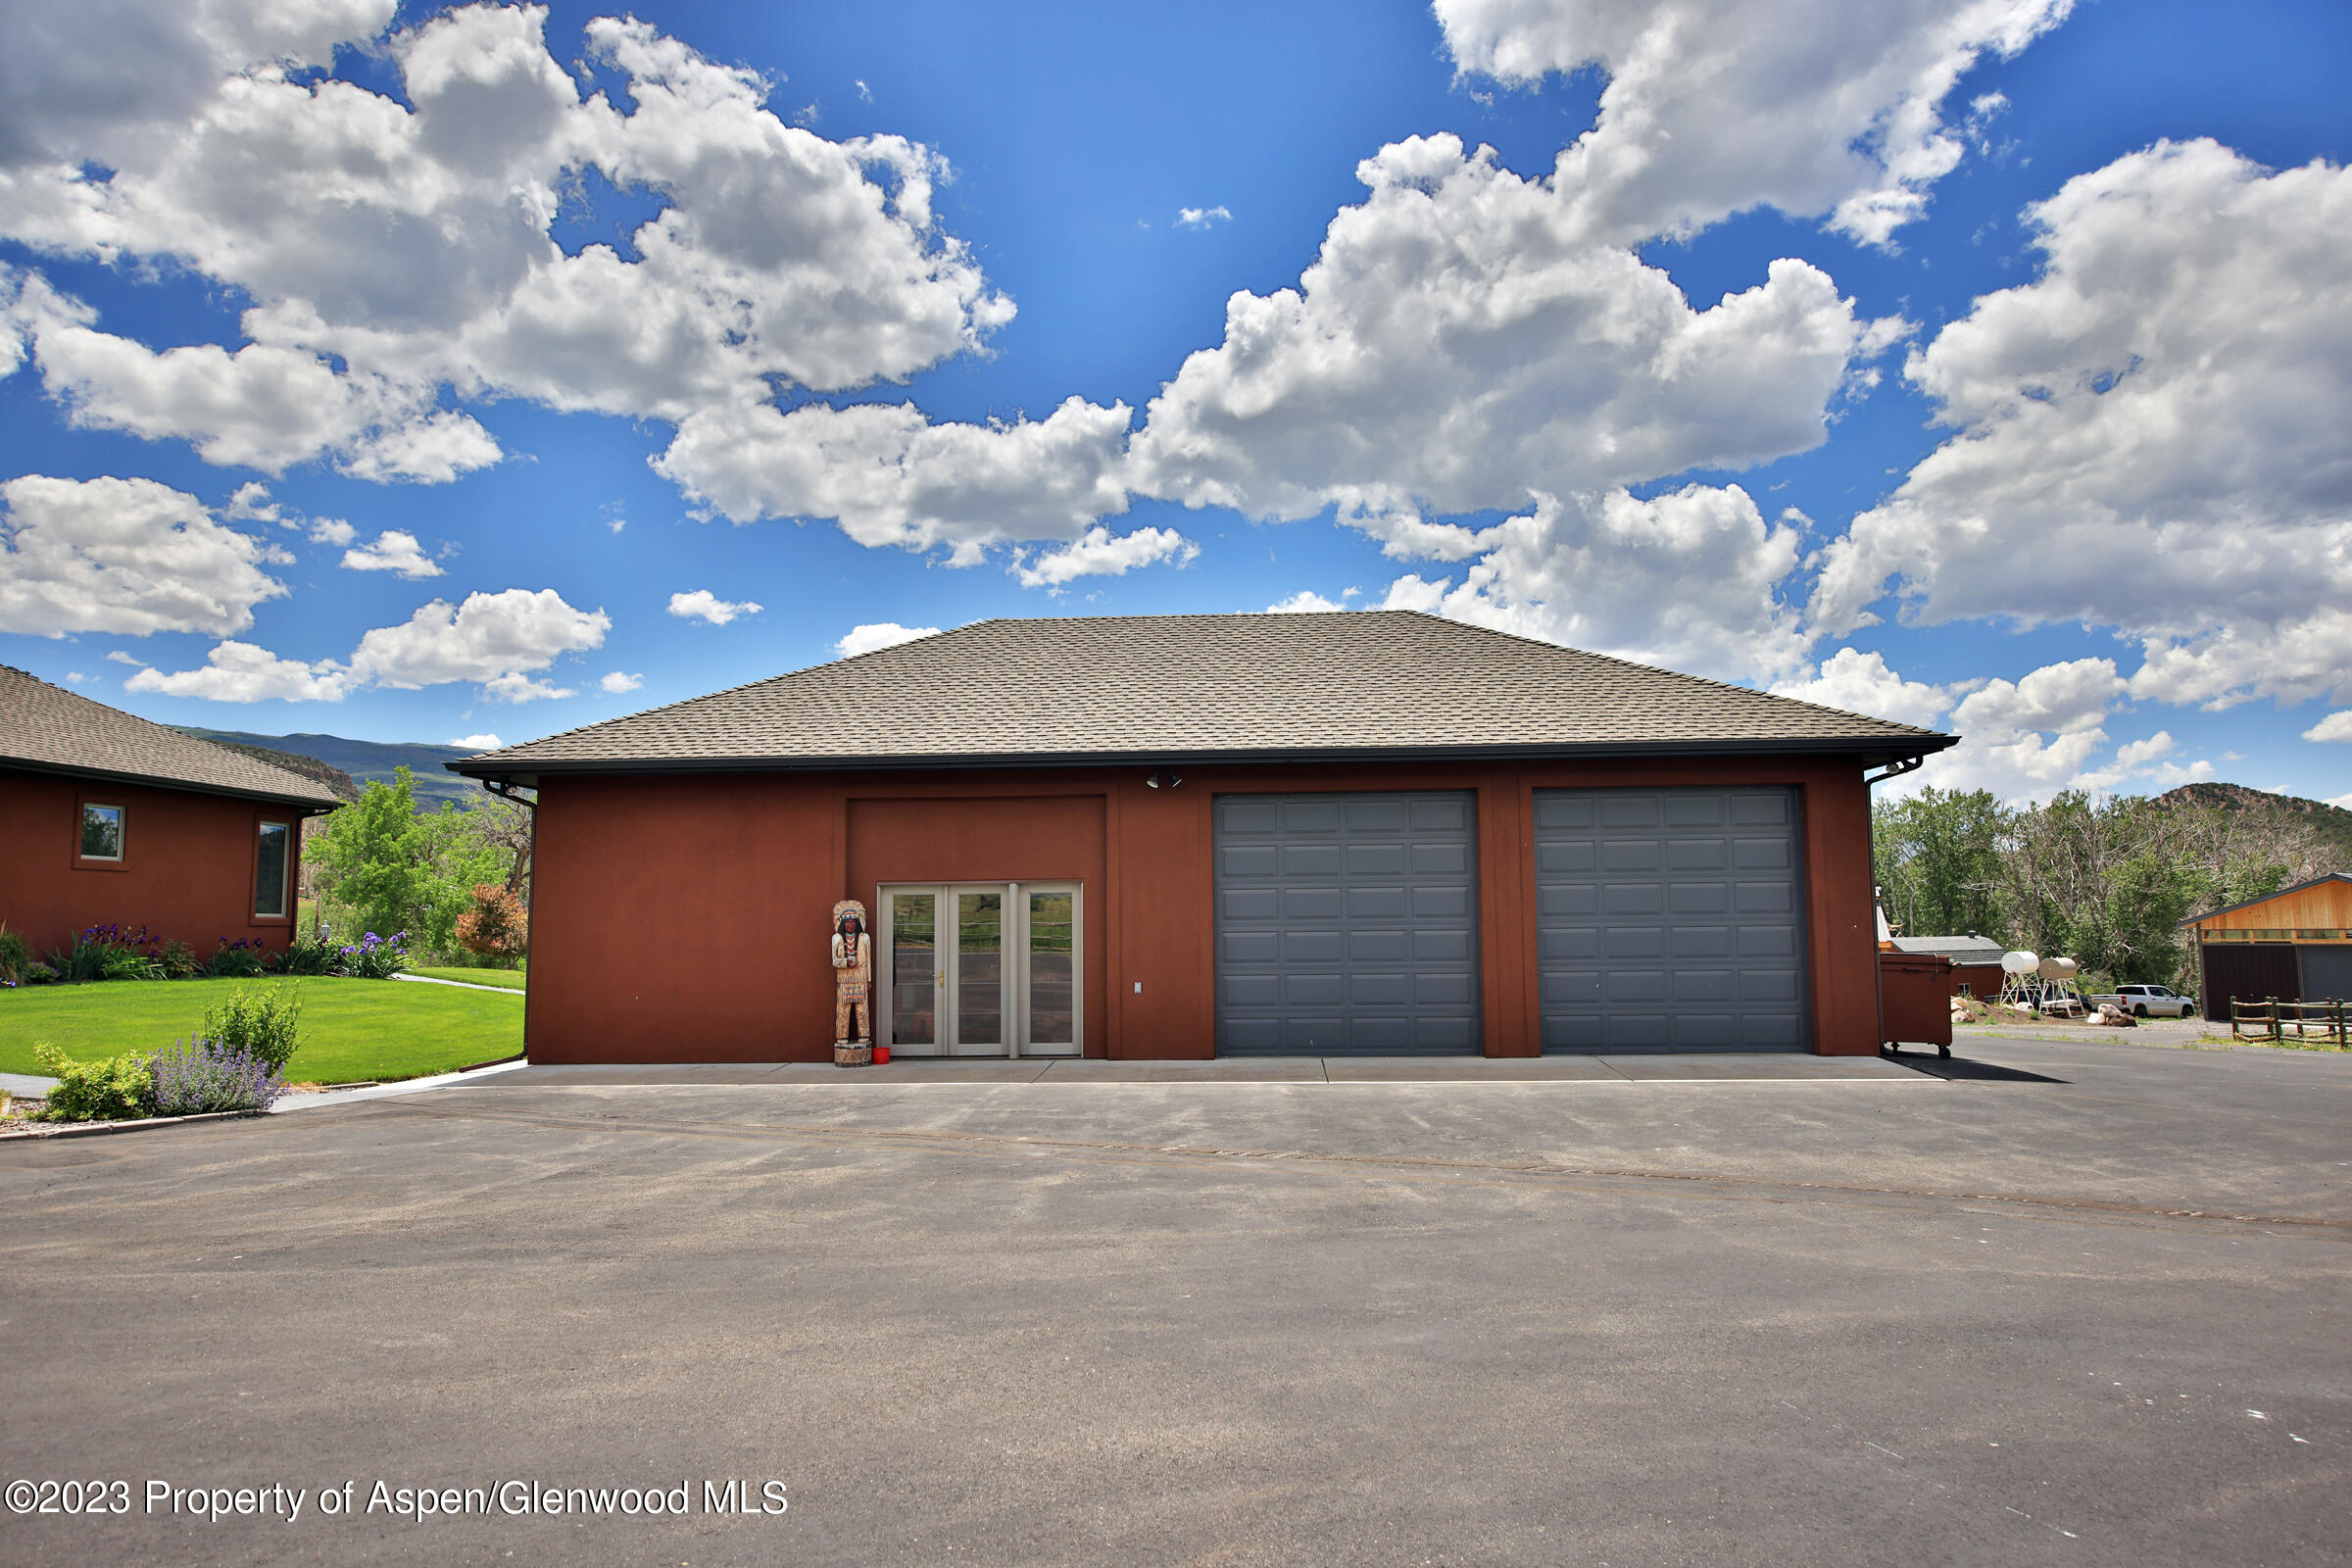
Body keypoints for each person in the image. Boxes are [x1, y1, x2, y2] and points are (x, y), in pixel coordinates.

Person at [831, 901, 873, 1049]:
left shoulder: (864, 938)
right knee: (843, 1009)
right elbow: (834, 961)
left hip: (860, 977)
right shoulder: (837, 938)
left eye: (853, 922)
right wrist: (845, 962)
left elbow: (868, 961)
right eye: (847, 922)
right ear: (842, 923)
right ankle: (842, 1036)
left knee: (862, 1009)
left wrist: (868, 980)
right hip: (844, 979)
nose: (850, 925)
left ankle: (864, 1035)